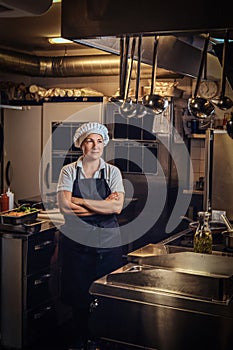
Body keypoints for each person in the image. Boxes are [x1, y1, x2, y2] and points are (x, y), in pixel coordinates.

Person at [57, 122, 125, 350]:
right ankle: (80, 340)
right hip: (77, 243)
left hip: (108, 242)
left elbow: (117, 208)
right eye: (89, 140)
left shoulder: (113, 172)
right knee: (78, 296)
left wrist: (82, 201)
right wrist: (103, 204)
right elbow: (66, 208)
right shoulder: (68, 171)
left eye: (99, 141)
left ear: (104, 144)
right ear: (81, 144)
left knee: (106, 293)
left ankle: (102, 340)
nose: (95, 146)